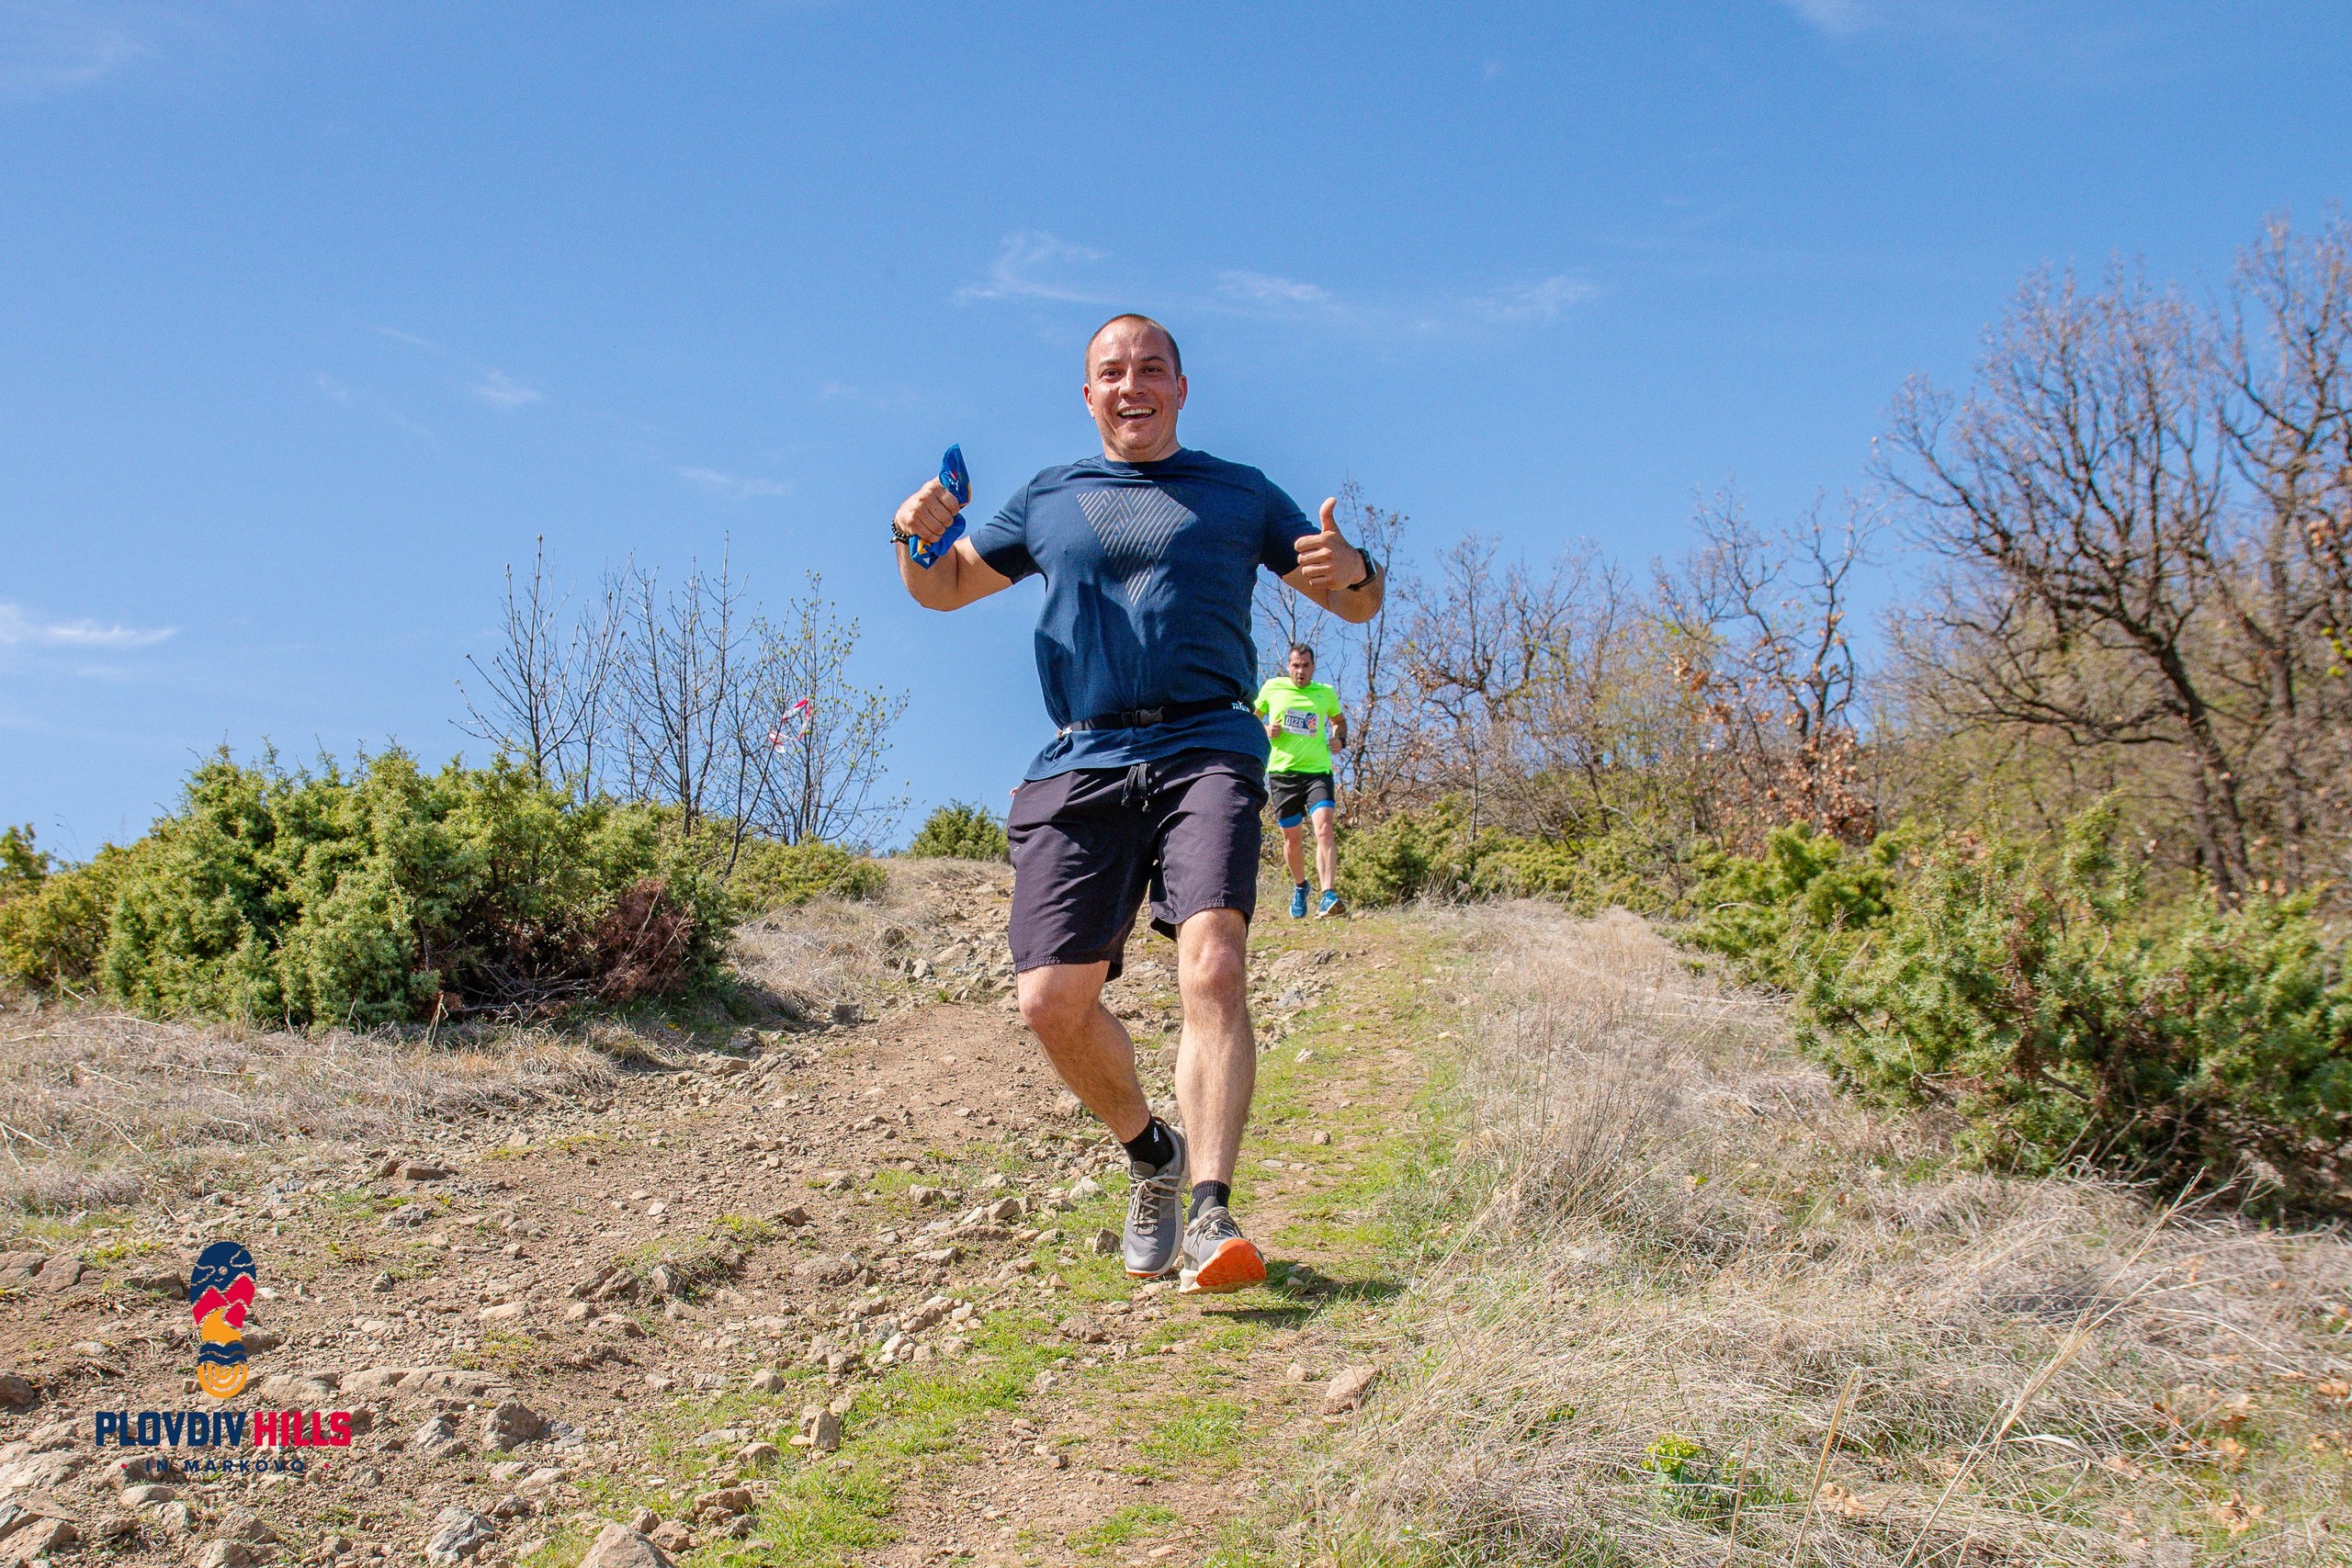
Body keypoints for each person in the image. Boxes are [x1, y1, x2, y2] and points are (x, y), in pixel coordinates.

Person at [890, 313, 1384, 1293]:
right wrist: (913, 534)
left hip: (1208, 743)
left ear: (1181, 388)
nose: (1132, 385)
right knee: (1050, 1002)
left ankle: (1212, 1209)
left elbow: (1352, 599)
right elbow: (940, 589)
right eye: (1112, 373)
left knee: (1215, 963)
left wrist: (1355, 570)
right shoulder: (1050, 496)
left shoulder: (1239, 492)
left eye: (1151, 369)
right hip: (1083, 756)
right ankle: (1151, 1153)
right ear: (1089, 396)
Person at [1255, 644, 1347, 919]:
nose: (1301, 671)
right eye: (1296, 665)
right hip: (1283, 773)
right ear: (1289, 666)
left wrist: (1339, 739)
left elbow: (1339, 721)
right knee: (1292, 839)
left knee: (1324, 828)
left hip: (1318, 772)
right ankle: (1300, 886)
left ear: (1313, 667)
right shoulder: (1272, 688)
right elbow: (1251, 719)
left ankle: (1328, 894)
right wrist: (1265, 729)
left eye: (1306, 665)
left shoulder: (1324, 693)